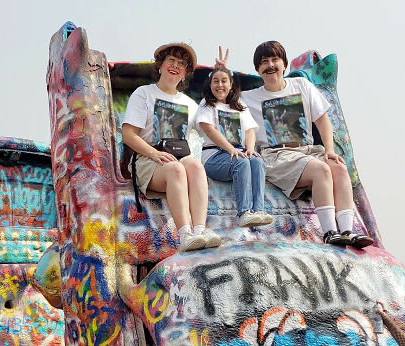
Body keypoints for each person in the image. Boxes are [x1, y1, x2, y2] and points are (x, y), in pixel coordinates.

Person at [240, 41, 373, 248]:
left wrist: (329, 150)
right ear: (258, 70)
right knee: (321, 170)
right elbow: (220, 102)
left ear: (284, 64)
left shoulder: (301, 86)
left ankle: (347, 230)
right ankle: (330, 232)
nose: (270, 65)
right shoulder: (248, 98)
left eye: (275, 59)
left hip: (307, 150)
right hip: (277, 156)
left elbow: (322, 120)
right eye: (264, 62)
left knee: (337, 166)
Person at [121, 42, 221, 252]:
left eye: (182, 63)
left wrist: (220, 78)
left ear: (185, 73)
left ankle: (200, 230)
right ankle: (185, 235)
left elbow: (211, 129)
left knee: (194, 164)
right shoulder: (144, 94)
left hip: (177, 157)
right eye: (171, 60)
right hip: (147, 157)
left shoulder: (190, 104)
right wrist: (155, 153)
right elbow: (129, 135)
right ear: (160, 65)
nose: (175, 65)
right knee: (176, 169)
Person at [197, 49, 272, 228]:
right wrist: (231, 149)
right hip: (214, 156)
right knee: (242, 162)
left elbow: (250, 131)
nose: (220, 85)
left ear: (231, 85)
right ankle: (245, 212)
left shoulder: (239, 106)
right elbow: (209, 130)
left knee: (256, 161)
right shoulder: (207, 105)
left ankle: (259, 211)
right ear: (210, 85)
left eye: (224, 81)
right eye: (215, 81)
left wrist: (250, 149)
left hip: (237, 152)